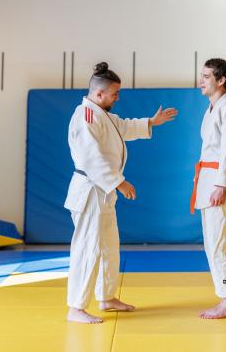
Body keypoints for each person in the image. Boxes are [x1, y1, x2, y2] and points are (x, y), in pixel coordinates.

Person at [64, 62, 178, 324]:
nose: (118, 98)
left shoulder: (102, 115)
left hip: (101, 192)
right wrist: (119, 182)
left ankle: (106, 297)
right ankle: (76, 307)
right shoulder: (86, 116)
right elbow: (91, 158)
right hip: (91, 190)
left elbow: (124, 127)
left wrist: (152, 122)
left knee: (108, 247)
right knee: (87, 248)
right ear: (100, 93)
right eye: (115, 94)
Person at [190, 58, 226, 319]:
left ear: (221, 80)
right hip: (209, 181)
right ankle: (225, 299)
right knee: (213, 243)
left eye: (205, 76)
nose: (200, 81)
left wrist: (222, 183)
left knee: (221, 243)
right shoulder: (212, 108)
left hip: (219, 184)